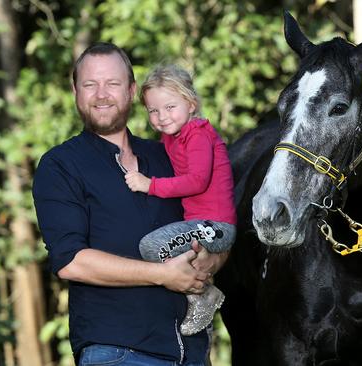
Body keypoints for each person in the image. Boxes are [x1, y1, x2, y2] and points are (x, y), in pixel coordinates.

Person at [32, 42, 227, 366]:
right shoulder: (61, 165)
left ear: (132, 90)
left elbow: (215, 219)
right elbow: (71, 261)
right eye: (90, 84)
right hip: (117, 352)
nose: (101, 94)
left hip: (193, 353)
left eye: (113, 83)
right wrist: (161, 275)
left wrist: (213, 259)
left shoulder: (169, 155)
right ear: (75, 91)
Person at [123, 64, 236, 336]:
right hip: (199, 225)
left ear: (191, 103)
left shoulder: (197, 134)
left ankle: (202, 293)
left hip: (216, 225)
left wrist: (149, 185)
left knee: (152, 246)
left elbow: (198, 180)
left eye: (170, 107)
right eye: (153, 110)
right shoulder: (170, 137)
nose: (161, 116)